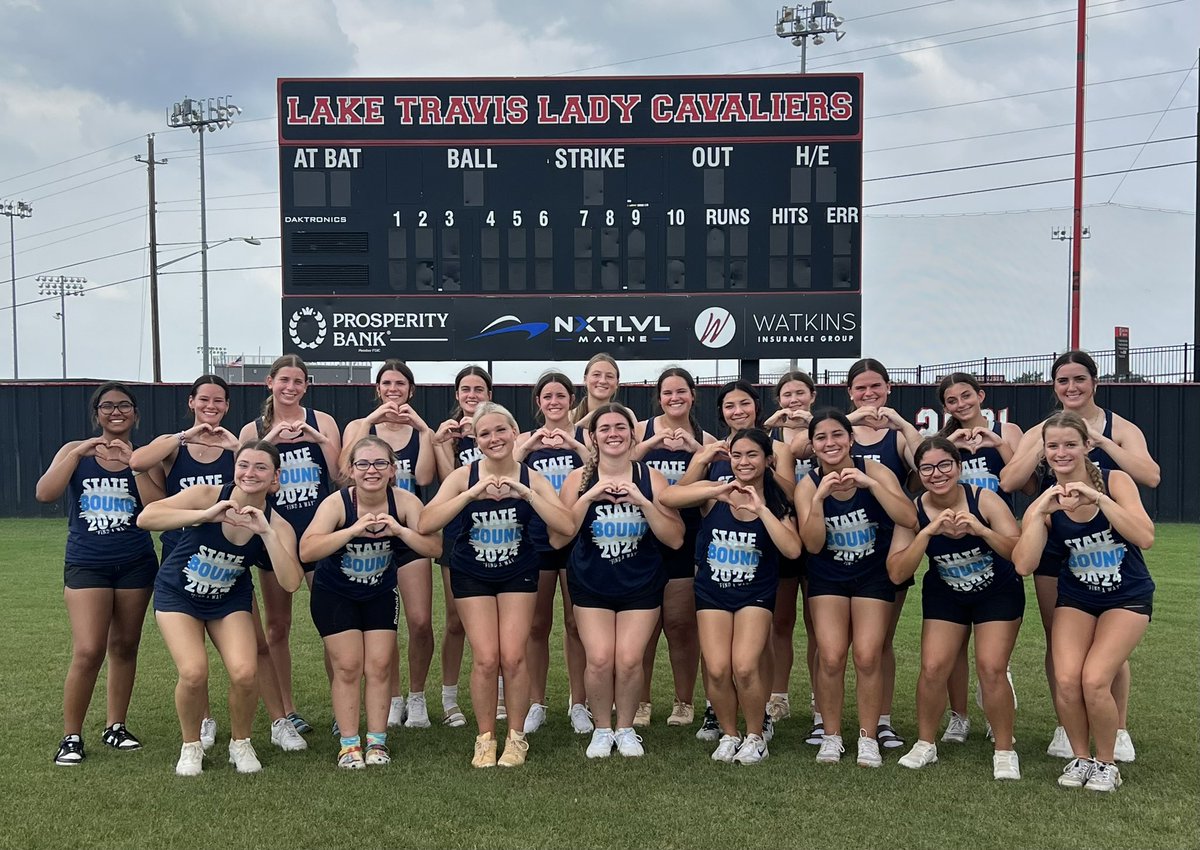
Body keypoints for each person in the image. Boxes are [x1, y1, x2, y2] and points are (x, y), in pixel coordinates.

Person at [1001, 350, 1159, 762]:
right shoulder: (1043, 433)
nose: (1071, 387)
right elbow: (1011, 480)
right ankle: (1068, 725)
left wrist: (1099, 442)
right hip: (1058, 535)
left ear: (1094, 382)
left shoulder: (1118, 433)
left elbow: (1151, 476)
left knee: (1106, 647)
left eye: (1079, 379)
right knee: (1061, 637)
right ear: (1054, 386)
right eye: (1063, 380)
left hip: (1108, 532)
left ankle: (1116, 728)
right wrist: (1045, 448)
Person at [418, 402, 574, 768]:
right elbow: (426, 522)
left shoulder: (531, 477)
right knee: (487, 658)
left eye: (500, 430)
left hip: (518, 572)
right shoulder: (464, 476)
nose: (494, 438)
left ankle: (516, 737)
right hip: (472, 572)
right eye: (484, 433)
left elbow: (566, 526)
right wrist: (470, 495)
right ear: (476, 440)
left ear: (515, 432)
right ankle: (485, 737)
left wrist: (527, 494)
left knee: (514, 656)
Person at [138, 440, 304, 776]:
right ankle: (191, 746)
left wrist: (267, 534)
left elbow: (290, 582)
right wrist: (204, 515)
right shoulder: (207, 494)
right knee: (193, 672)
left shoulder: (278, 524)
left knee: (244, 672)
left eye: (260, 467)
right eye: (243, 465)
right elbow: (146, 517)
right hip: (179, 594)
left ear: (275, 477)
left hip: (228, 598)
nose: (250, 473)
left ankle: (240, 743)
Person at [37, 383, 160, 766]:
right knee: (89, 649)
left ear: (135, 413)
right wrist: (77, 453)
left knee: (124, 646)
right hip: (87, 563)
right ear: (97, 414)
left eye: (124, 405)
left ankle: (115, 726)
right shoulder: (74, 450)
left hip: (136, 563)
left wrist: (134, 464)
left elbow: (157, 509)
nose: (116, 411)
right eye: (107, 406)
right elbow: (45, 493)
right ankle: (71, 736)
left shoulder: (145, 457)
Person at [299, 436, 441, 769]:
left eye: (380, 463)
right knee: (348, 666)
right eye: (362, 464)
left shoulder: (404, 502)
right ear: (351, 470)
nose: (371, 470)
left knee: (379, 665)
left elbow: (434, 547)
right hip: (336, 594)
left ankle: (377, 742)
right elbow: (307, 549)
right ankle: (349, 745)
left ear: (393, 470)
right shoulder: (338, 503)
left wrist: (400, 531)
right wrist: (351, 531)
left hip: (379, 592)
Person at [887, 437, 1024, 780]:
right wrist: (926, 533)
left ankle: (1004, 749)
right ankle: (925, 743)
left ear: (958, 467)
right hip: (946, 591)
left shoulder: (983, 499)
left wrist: (981, 530)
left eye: (944, 465)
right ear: (919, 473)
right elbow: (897, 571)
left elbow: (1019, 553)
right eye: (927, 468)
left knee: (991, 667)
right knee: (933, 667)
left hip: (997, 591)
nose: (937, 474)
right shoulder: (914, 510)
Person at [662, 428, 802, 764]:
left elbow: (793, 549)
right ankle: (729, 734)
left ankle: (755, 735)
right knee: (717, 668)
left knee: (744, 666)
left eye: (752, 455)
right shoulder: (715, 496)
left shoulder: (778, 503)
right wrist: (714, 485)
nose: (744, 462)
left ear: (768, 460)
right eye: (737, 455)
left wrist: (762, 509)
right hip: (712, 593)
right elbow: (668, 497)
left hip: (755, 594)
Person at [558, 403, 683, 758]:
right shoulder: (578, 479)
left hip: (640, 583)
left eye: (620, 427)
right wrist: (589, 497)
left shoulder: (651, 477)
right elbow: (559, 535)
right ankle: (601, 729)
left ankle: (626, 728)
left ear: (632, 435)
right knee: (599, 659)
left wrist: (644, 502)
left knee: (629, 659)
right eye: (605, 428)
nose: (613, 434)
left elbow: (675, 538)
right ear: (593, 437)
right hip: (591, 582)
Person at [795, 409, 916, 767]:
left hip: (872, 574)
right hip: (828, 576)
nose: (830, 443)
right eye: (821, 438)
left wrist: (872, 486)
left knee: (867, 655)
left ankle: (868, 737)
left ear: (850, 439)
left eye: (837, 435)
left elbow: (909, 517)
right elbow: (812, 544)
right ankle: (831, 736)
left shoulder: (874, 470)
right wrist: (819, 500)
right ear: (813, 446)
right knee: (831, 656)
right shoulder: (808, 484)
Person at [678, 379, 794, 741]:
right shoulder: (715, 451)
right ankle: (719, 716)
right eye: (729, 405)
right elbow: (677, 494)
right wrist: (705, 464)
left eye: (744, 403)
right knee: (716, 657)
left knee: (754, 650)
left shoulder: (776, 450)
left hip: (761, 554)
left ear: (757, 406)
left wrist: (761, 484)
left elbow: (792, 497)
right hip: (717, 555)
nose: (738, 411)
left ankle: (760, 718)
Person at [238, 355, 342, 735]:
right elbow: (245, 477)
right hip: (275, 535)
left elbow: (339, 475)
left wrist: (318, 439)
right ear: (270, 382)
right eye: (284, 380)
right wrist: (271, 440)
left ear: (306, 386)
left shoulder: (323, 421)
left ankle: (341, 708)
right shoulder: (253, 429)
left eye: (298, 381)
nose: (291, 387)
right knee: (278, 625)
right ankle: (287, 709)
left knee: (332, 624)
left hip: (317, 533)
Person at [340, 361, 436, 730]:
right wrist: (369, 422)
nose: (393, 389)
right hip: (369, 534)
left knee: (420, 621)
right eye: (386, 383)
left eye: (400, 383)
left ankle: (417, 696)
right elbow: (342, 470)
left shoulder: (420, 429)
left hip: (408, 530)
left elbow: (424, 477)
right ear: (377, 389)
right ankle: (393, 698)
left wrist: (424, 430)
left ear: (411, 390)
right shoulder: (360, 426)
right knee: (384, 623)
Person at [934, 372, 1028, 744]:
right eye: (952, 400)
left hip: (996, 540)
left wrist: (998, 444)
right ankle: (959, 717)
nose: (960, 404)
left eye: (966, 396)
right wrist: (948, 445)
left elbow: (1023, 483)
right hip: (953, 545)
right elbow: (921, 481)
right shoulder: (944, 440)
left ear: (981, 395)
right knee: (954, 644)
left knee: (994, 650)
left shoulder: (1008, 431)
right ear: (945, 406)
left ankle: (995, 714)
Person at [631, 367, 715, 729]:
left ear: (693, 395)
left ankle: (684, 701)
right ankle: (640, 700)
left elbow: (717, 478)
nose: (674, 398)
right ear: (659, 397)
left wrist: (696, 450)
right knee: (643, 625)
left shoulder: (705, 438)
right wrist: (651, 444)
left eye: (681, 391)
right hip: (642, 534)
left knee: (681, 624)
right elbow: (617, 461)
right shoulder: (640, 430)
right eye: (667, 392)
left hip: (688, 535)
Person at [845, 358, 923, 751]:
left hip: (889, 547)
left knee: (880, 641)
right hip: (840, 545)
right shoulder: (841, 432)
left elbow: (927, 465)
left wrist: (903, 425)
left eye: (876, 386)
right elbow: (809, 443)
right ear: (850, 392)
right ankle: (824, 718)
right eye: (860, 387)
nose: (869, 394)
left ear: (889, 388)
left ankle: (883, 720)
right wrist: (850, 419)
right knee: (830, 643)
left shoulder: (897, 436)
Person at [514, 371, 590, 735]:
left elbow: (600, 468)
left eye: (561, 396)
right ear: (539, 402)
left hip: (578, 539)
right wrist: (529, 445)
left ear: (572, 400)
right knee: (536, 625)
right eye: (547, 396)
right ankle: (536, 703)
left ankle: (579, 703)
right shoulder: (525, 440)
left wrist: (575, 444)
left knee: (576, 624)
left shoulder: (586, 437)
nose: (554, 402)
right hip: (537, 539)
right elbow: (508, 467)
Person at [430, 364, 493, 726]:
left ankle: (500, 695)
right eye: (466, 389)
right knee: (455, 619)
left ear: (488, 394)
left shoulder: (498, 428)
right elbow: (445, 481)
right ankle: (449, 699)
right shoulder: (447, 433)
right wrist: (441, 443)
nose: (472, 395)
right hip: (458, 533)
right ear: (457, 395)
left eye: (478, 389)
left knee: (500, 623)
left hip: (498, 531)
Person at [768, 371, 820, 735]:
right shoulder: (769, 438)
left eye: (800, 393)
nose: (793, 400)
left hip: (819, 535)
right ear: (778, 400)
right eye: (787, 395)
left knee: (818, 624)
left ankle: (819, 696)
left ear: (812, 395)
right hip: (782, 534)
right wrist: (770, 425)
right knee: (781, 621)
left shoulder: (826, 431)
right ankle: (779, 695)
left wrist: (813, 425)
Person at [570, 353, 621, 427]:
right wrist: (581, 424)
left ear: (617, 383)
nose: (603, 381)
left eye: (609, 376)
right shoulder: (568, 417)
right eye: (596, 375)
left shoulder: (625, 415)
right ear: (585, 379)